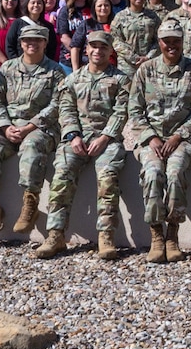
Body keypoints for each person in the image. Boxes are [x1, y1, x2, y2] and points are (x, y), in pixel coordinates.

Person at [128, 21, 191, 264]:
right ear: (159, 42)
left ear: (182, 41)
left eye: (176, 40)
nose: (171, 45)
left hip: (182, 139)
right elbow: (135, 109)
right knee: (152, 173)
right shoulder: (146, 70)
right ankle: (156, 235)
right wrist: (150, 137)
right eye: (166, 40)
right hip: (150, 139)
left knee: (174, 173)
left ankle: (172, 234)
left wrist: (178, 136)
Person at [0, 22, 65, 251]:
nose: (32, 44)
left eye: (37, 40)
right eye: (27, 40)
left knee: (32, 145)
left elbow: (56, 105)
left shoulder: (55, 71)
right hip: (8, 126)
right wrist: (5, 126)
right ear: (21, 43)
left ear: (45, 43)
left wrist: (30, 126)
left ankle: (30, 203)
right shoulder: (7, 69)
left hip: (40, 128)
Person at [56, 33, 134, 259]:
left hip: (107, 140)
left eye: (103, 47)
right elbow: (66, 109)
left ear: (111, 52)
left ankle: (106, 236)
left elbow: (121, 112)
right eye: (93, 47)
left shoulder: (121, 80)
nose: (98, 51)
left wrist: (106, 137)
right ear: (86, 50)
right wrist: (73, 136)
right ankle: (56, 234)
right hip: (77, 139)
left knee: (107, 178)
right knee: (62, 172)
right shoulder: (72, 79)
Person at [110, 0, 161, 71]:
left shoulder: (153, 16)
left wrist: (148, 57)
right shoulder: (120, 17)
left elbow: (159, 40)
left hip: (149, 64)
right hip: (127, 66)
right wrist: (134, 58)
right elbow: (116, 40)